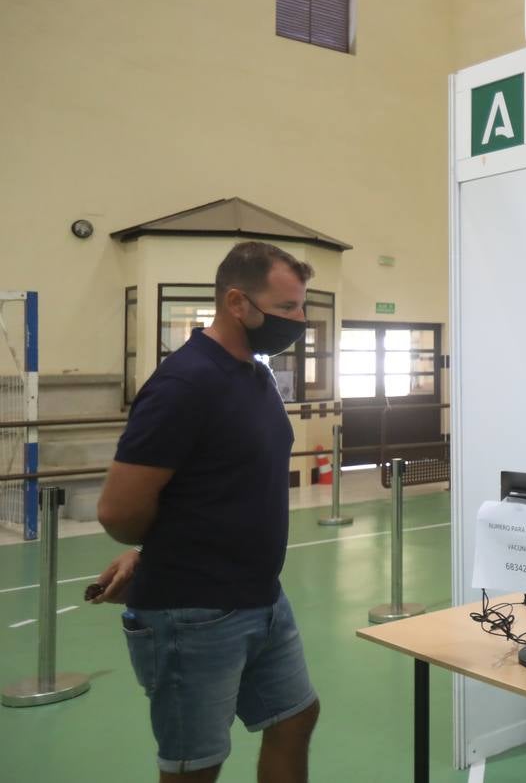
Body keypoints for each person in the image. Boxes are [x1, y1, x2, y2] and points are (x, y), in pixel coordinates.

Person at [92, 240, 320, 783]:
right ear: (237, 303)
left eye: (301, 306)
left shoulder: (254, 374)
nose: (299, 320)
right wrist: (165, 554)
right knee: (196, 766)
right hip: (191, 614)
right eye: (286, 308)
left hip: (261, 596)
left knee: (295, 717)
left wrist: (154, 549)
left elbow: (217, 486)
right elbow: (117, 511)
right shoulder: (184, 384)